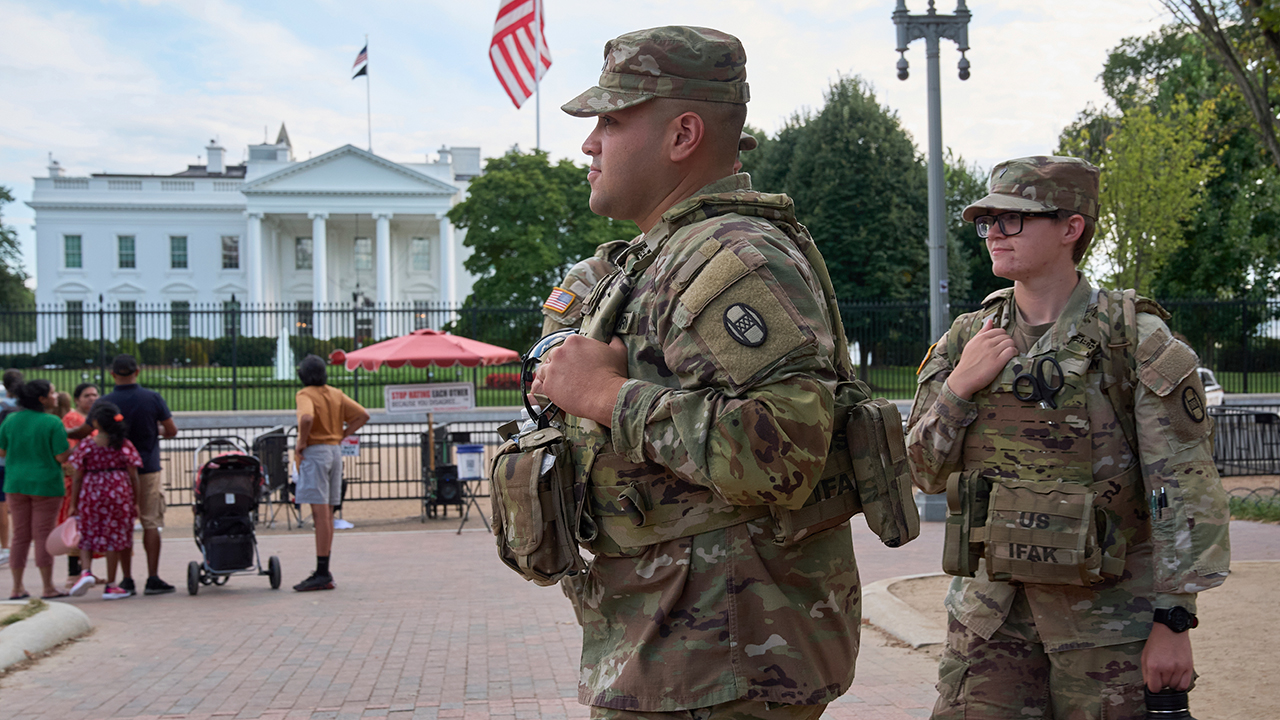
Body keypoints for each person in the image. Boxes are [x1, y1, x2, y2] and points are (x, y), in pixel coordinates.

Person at [530, 27, 860, 718]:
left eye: (611, 121)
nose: (590, 143)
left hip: (723, 658)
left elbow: (787, 450)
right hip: (679, 650)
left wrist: (606, 395)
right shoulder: (656, 258)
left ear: (683, 135)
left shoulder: (732, 259)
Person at [905, 156, 1231, 719]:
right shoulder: (966, 338)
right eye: (987, 222)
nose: (994, 236)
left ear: (1070, 228)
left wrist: (1174, 618)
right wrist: (959, 387)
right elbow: (923, 471)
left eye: (1013, 220)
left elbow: (1182, 486)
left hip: (1106, 626)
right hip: (990, 621)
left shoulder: (1131, 337)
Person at [72, 355, 178, 596]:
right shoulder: (152, 398)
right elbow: (171, 430)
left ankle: (126, 578)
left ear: (112, 375)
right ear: (137, 372)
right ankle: (152, 577)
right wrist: (153, 429)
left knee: (120, 527)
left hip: (110, 476)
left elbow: (84, 432)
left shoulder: (105, 402)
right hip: (147, 467)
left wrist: (61, 429)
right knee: (151, 522)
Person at [292, 354, 368, 592]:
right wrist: (343, 434)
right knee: (328, 511)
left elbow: (306, 417)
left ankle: (322, 571)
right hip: (334, 451)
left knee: (319, 512)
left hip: (316, 452)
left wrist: (301, 443)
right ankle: (324, 566)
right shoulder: (334, 394)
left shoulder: (305, 394)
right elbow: (362, 415)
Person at [0, 379, 71, 599]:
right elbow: (61, 456)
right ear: (41, 399)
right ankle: (47, 586)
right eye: (52, 392)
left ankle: (17, 586)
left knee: (20, 536)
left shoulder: (11, 420)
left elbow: (2, 451)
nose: (56, 395)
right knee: (42, 535)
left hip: (16, 483)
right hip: (46, 484)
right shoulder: (52, 422)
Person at [68, 401, 140, 600]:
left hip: (91, 489)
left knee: (87, 530)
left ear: (96, 422)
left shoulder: (87, 445)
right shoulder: (124, 445)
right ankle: (111, 584)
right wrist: (136, 501)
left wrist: (73, 503)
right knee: (114, 538)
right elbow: (133, 475)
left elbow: (77, 476)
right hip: (118, 490)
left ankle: (86, 571)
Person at [0, 368, 24, 568]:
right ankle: (20, 544)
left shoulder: (2, 406)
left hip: (2, 461)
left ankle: (5, 547)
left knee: (2, 505)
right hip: (21, 462)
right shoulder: (27, 407)